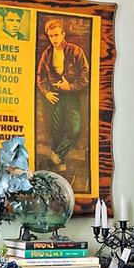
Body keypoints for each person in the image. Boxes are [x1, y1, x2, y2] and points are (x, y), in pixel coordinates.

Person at [34, 16, 91, 178]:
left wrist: (71, 86)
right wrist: (46, 92)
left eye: (57, 35)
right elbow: (40, 76)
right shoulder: (47, 54)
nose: (54, 39)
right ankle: (61, 163)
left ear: (63, 34)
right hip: (55, 95)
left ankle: (53, 158)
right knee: (56, 130)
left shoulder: (75, 51)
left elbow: (86, 75)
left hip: (72, 94)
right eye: (51, 36)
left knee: (74, 129)